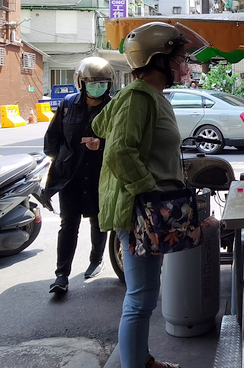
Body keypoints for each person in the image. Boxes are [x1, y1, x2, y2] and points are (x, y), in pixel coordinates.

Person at [93, 22, 207, 368]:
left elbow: (106, 130)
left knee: (145, 294)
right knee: (140, 298)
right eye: (180, 57)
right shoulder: (137, 96)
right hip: (139, 211)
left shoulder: (149, 97)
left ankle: (141, 359)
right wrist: (150, 194)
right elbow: (119, 153)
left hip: (146, 209)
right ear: (158, 60)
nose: (184, 64)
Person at [44, 57, 114, 295]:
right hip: (71, 176)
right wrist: (63, 160)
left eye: (103, 83)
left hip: (99, 174)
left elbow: (119, 140)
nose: (98, 87)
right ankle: (61, 275)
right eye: (94, 82)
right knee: (68, 223)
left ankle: (96, 260)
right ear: (82, 83)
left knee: (99, 220)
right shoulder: (67, 105)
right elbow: (52, 140)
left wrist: (101, 144)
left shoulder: (113, 107)